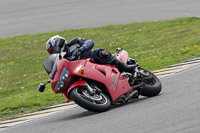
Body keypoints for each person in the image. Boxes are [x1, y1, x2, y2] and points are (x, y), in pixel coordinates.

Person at [46, 35, 137, 73]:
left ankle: (124, 67)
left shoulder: (75, 42)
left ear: (60, 44)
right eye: (52, 53)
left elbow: (90, 42)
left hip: (94, 60)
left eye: (54, 50)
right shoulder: (63, 59)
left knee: (98, 52)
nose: (55, 53)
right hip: (84, 70)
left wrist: (81, 49)